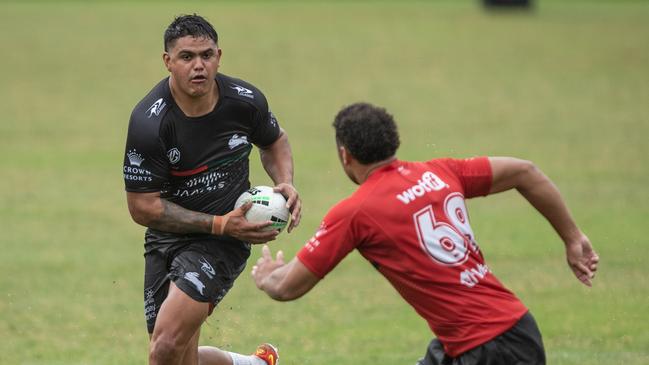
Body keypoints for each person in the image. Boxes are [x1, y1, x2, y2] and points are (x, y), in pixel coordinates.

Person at [251, 102, 599, 365]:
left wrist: (268, 277)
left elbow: (286, 288)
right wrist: (572, 238)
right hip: (508, 331)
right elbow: (526, 171)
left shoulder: (356, 212)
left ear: (345, 155)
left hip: (488, 350)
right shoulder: (443, 172)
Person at [123, 14, 300, 365]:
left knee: (164, 348)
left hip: (225, 240)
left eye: (206, 55)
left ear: (219, 55)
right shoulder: (150, 123)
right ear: (168, 62)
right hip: (168, 237)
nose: (198, 66)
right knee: (178, 356)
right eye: (187, 57)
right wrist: (219, 223)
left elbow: (274, 140)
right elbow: (142, 207)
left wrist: (286, 181)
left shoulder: (245, 102)